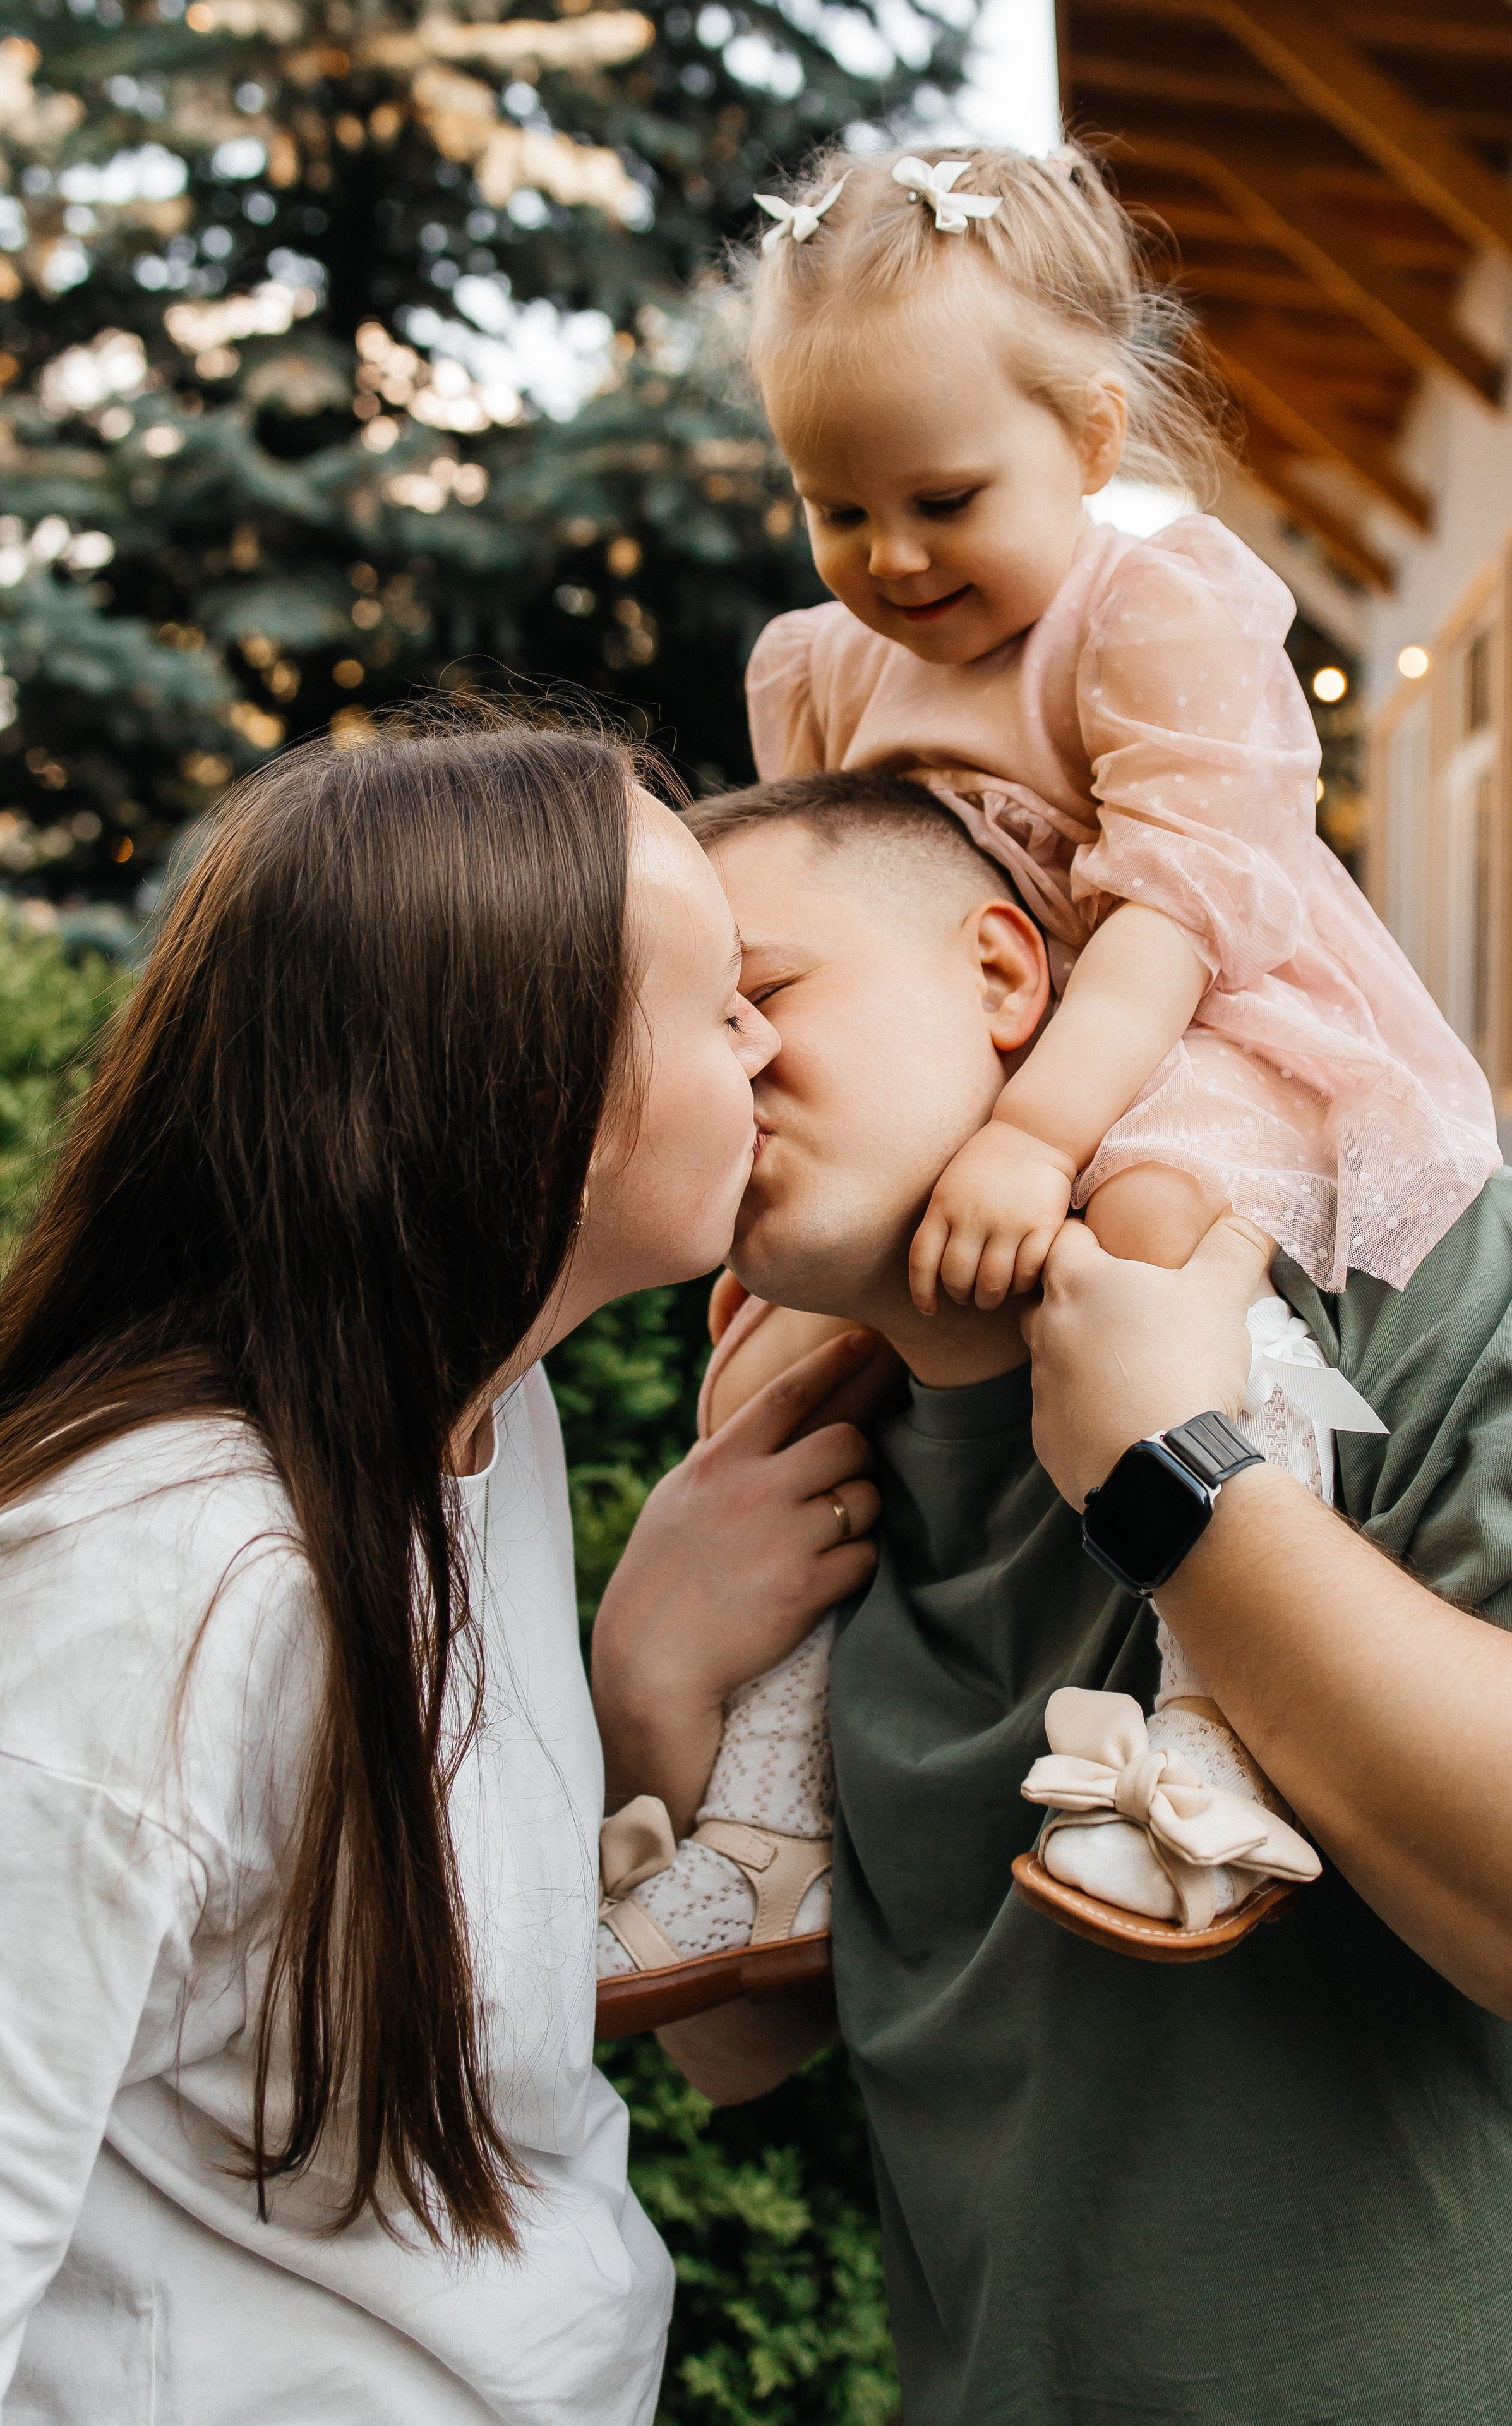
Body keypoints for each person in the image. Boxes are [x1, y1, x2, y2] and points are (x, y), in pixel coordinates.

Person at [596, 778, 1512, 2426]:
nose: (723, 1065)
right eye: (667, 1029)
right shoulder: (785, 1469)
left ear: (1005, 977)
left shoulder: (1423, 1273)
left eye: (764, 994)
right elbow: (737, 2049)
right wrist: (647, 1692)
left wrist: (1182, 1491)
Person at [0, 715, 879, 2423]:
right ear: (534, 1094)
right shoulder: (154, 1581)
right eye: (721, 1006)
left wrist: (644, 1685)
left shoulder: (492, 1419)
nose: (770, 1046)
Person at [711, 136, 1503, 1934]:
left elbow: (1176, 919)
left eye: (940, 495)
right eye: (836, 506)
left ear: (1083, 441)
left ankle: (1218, 1732)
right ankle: (765, 1814)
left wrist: (1031, 1139)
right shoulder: (821, 663)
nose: (889, 556)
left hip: (1202, 1029)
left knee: (1150, 1244)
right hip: (1004, 1056)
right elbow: (859, 908)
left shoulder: (1148, 611)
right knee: (768, 1345)